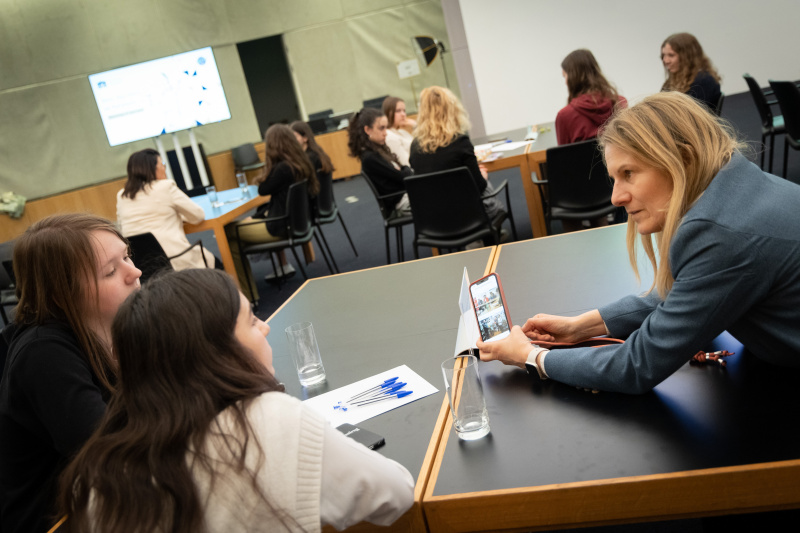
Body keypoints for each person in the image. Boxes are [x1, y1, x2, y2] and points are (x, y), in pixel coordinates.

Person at [477, 92, 800, 394]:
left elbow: (636, 366)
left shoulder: (723, 235)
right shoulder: (738, 184)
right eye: (614, 178)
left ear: (683, 160)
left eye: (629, 173)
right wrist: (582, 327)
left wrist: (529, 356)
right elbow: (692, 289)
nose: (617, 197)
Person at [58, 269, 415, 532]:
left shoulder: (100, 469)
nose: (266, 328)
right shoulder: (269, 419)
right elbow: (396, 496)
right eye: (252, 319)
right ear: (217, 350)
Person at [0, 214, 141, 532]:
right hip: (56, 518)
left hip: (105, 498)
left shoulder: (114, 324)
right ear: (60, 295)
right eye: (110, 271)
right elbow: (105, 449)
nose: (135, 272)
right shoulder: (43, 354)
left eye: (127, 256)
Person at [226, 124, 318, 301]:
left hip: (280, 228)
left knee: (229, 232)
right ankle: (249, 292)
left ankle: (248, 295)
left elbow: (263, 189)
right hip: (297, 223)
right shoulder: (301, 163)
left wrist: (270, 164)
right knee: (239, 233)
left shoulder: (283, 168)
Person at [409, 86, 506, 228]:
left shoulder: (415, 147)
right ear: (452, 109)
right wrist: (483, 177)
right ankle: (481, 238)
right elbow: (478, 187)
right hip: (469, 215)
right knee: (486, 185)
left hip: (433, 219)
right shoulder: (460, 142)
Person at [116, 148, 217, 270]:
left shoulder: (122, 195)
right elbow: (198, 215)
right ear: (152, 168)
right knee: (215, 262)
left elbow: (121, 227)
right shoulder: (165, 186)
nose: (164, 169)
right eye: (162, 164)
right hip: (174, 259)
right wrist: (177, 216)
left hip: (142, 265)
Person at [348, 107, 413, 215]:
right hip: (400, 203)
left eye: (386, 128)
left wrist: (403, 170)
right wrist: (404, 170)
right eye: (381, 128)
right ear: (368, 130)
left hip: (405, 196)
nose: (386, 133)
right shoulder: (370, 158)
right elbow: (404, 177)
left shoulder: (378, 149)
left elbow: (402, 173)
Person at [555, 49, 627, 146]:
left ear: (572, 77)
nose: (565, 82)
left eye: (565, 76)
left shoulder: (564, 116)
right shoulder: (620, 103)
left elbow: (563, 159)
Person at [660, 32, 721, 112]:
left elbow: (692, 118)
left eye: (671, 55)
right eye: (663, 55)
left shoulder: (704, 81)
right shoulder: (671, 81)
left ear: (688, 56)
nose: (665, 60)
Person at [382, 96, 416, 167]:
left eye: (404, 111)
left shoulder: (402, 132)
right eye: (398, 111)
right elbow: (406, 163)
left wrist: (415, 125)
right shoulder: (388, 135)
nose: (403, 114)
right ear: (389, 113)